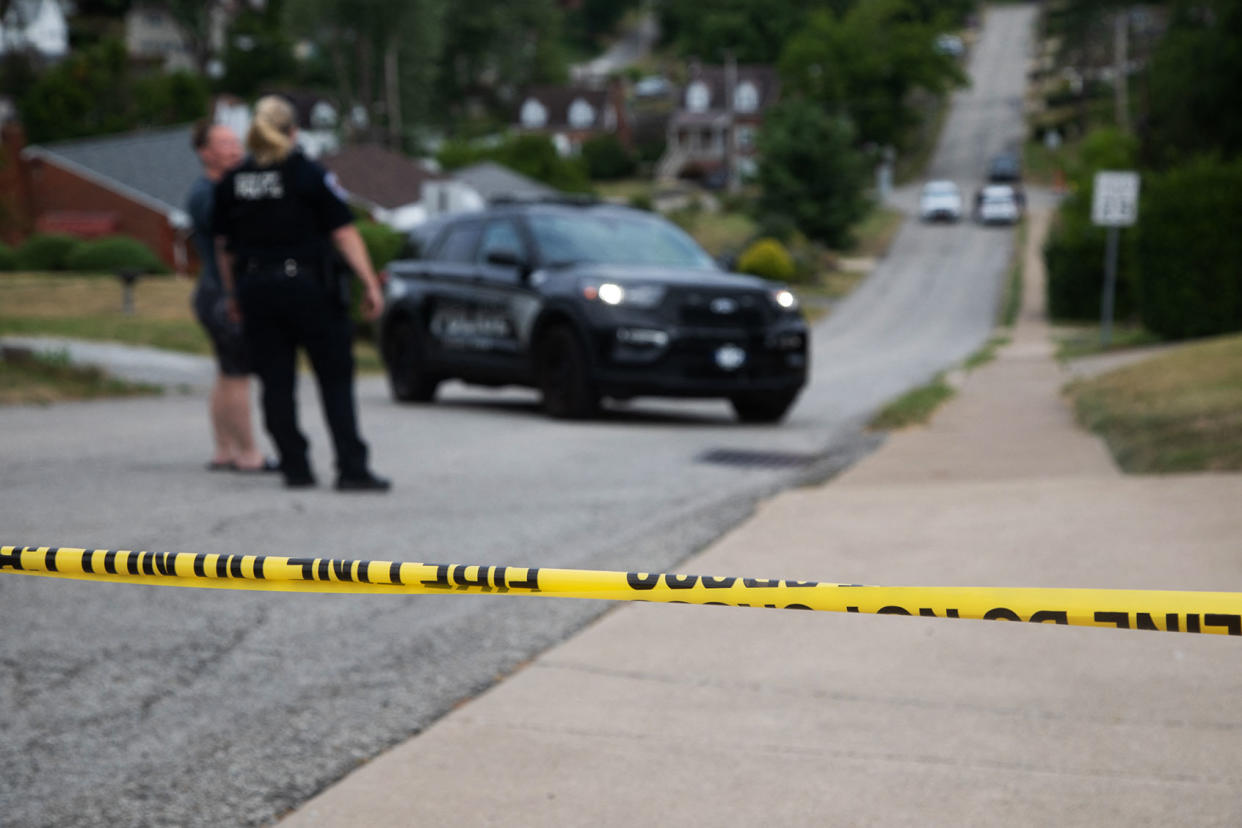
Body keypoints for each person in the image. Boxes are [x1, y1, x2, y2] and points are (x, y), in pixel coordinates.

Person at [212, 96, 390, 492]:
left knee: (276, 382)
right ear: (293, 132)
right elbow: (343, 232)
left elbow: (224, 246)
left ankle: (296, 466)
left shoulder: (233, 180)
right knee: (335, 379)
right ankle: (351, 467)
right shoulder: (307, 173)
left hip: (256, 289)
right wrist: (370, 283)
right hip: (309, 288)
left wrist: (233, 294)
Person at [187, 120, 276, 474]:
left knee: (226, 373)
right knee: (238, 373)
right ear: (204, 152)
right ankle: (249, 453)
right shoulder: (208, 194)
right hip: (222, 293)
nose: (235, 149)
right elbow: (231, 239)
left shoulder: (222, 187)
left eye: (236, 142)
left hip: (212, 292)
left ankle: (224, 449)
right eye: (223, 143)